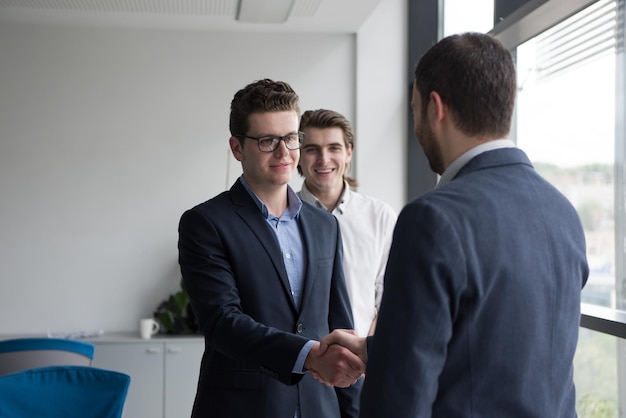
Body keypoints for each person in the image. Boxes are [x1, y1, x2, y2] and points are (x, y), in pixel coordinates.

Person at [319, 32, 589, 417]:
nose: (416, 126)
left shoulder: (431, 217)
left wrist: (392, 358)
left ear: (435, 108)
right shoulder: (562, 211)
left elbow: (400, 399)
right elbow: (504, 347)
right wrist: (379, 348)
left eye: (414, 111)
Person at [178, 79, 364, 418]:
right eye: (267, 141)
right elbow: (223, 322)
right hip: (242, 407)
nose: (284, 153)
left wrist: (354, 411)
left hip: (319, 407)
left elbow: (340, 324)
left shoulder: (325, 225)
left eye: (291, 138)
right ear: (237, 148)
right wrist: (308, 355)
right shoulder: (205, 223)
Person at [297, 109, 397, 337]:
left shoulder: (380, 216)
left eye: (334, 148)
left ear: (348, 152)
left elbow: (391, 295)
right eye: (312, 149)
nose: (324, 159)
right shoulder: (282, 216)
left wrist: (365, 352)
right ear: (299, 155)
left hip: (364, 361)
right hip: (301, 360)